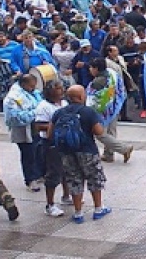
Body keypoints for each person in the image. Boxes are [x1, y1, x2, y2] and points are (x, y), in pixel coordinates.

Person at [48, 85, 110, 224]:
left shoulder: (59, 113)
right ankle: (98, 209)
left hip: (67, 152)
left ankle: (78, 213)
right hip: (87, 150)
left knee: (74, 180)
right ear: (81, 97)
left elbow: (50, 134)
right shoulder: (88, 112)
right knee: (94, 178)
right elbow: (99, 132)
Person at [34, 80, 73, 217]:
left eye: (62, 87)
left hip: (65, 142)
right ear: (50, 91)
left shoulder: (65, 103)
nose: (61, 90)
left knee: (67, 170)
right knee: (53, 173)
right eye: (58, 88)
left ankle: (66, 196)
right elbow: (39, 126)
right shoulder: (43, 107)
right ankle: (50, 205)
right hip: (51, 144)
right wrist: (57, 125)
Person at [86, 58, 134, 163]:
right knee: (111, 131)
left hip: (103, 110)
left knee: (99, 134)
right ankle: (108, 154)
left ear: (96, 69)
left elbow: (93, 101)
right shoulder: (112, 74)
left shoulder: (97, 83)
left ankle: (124, 148)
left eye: (91, 67)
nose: (89, 69)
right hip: (114, 106)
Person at [3, 74, 43, 191]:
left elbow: (40, 103)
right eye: (31, 86)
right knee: (28, 155)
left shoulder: (33, 92)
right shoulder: (12, 98)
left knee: (38, 152)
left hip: (36, 128)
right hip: (23, 131)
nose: (33, 88)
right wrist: (37, 111)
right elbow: (18, 118)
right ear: (24, 84)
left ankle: (39, 174)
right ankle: (30, 180)